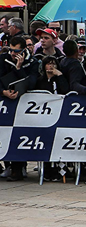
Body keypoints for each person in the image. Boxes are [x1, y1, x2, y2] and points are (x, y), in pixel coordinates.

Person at [0, 36, 38, 181]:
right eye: (11, 50)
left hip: (22, 105)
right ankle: (7, 165)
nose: (13, 54)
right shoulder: (3, 59)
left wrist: (19, 68)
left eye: (16, 51)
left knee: (18, 135)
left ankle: (17, 168)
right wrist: (3, 92)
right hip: (4, 101)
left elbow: (32, 82)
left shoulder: (32, 62)